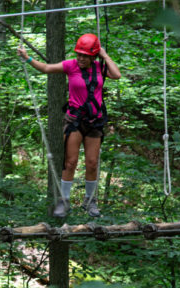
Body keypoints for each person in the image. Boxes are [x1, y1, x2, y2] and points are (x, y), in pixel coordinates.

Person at [17, 33, 121, 217]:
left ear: (93, 56)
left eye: (85, 55)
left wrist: (104, 56)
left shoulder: (100, 67)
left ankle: (90, 202)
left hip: (95, 122)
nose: (80, 58)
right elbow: (46, 68)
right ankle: (64, 201)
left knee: (92, 163)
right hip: (75, 121)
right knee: (70, 162)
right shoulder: (70, 65)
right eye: (79, 54)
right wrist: (28, 58)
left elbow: (117, 75)